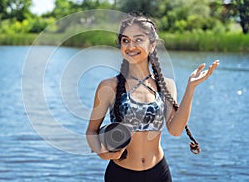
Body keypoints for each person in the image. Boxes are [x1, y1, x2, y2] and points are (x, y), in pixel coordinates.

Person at [85, 13, 219, 182]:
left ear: (152, 45)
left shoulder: (166, 85)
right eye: (125, 40)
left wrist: (190, 88)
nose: (130, 46)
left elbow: (175, 130)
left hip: (159, 173)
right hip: (121, 174)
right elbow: (91, 131)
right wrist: (102, 153)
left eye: (138, 39)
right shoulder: (108, 86)